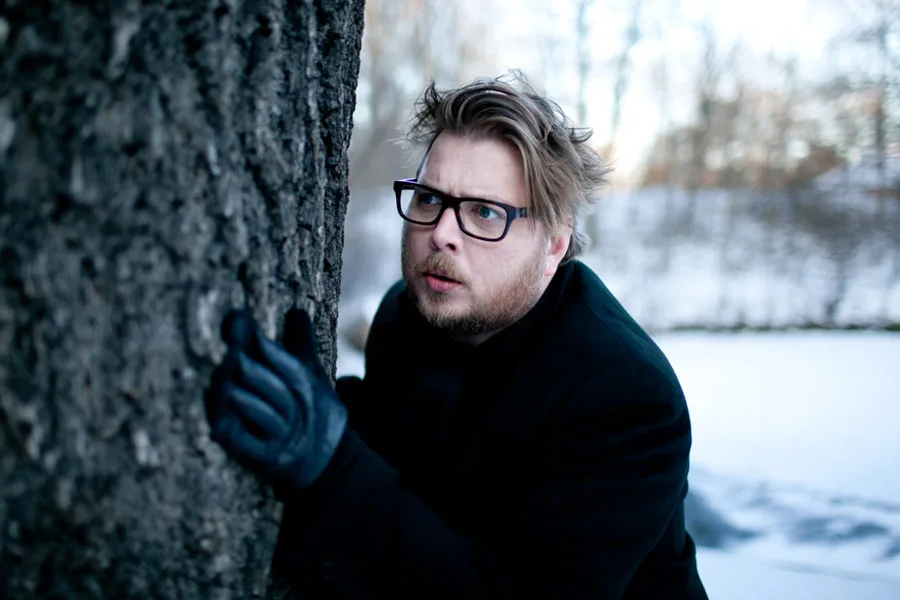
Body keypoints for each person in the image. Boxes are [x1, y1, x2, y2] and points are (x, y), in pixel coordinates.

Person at [204, 72, 708, 599]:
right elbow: (407, 454)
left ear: (554, 247)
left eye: (485, 212)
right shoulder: (408, 315)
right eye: (429, 199)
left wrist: (333, 469)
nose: (441, 233)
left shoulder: (626, 398)